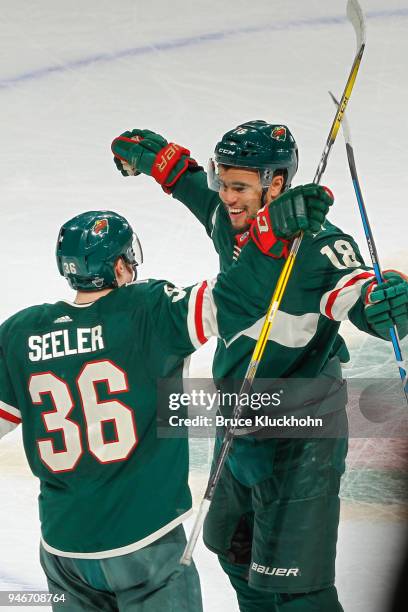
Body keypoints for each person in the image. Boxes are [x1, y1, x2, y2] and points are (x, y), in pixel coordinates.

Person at [111, 121, 408, 612]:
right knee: (232, 544)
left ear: (276, 184)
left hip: (302, 431)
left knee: (295, 590)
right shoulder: (229, 218)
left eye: (239, 187)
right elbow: (187, 183)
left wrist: (383, 300)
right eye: (223, 182)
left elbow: (355, 290)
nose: (226, 197)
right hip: (242, 416)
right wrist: (155, 158)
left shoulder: (317, 244)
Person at [0, 199, 335, 612]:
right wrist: (267, 241)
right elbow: (235, 300)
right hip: (144, 545)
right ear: (119, 266)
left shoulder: (19, 333)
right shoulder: (149, 310)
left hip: (64, 549)